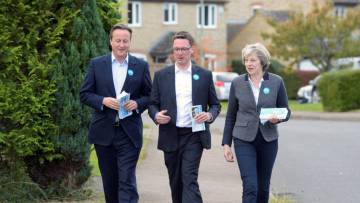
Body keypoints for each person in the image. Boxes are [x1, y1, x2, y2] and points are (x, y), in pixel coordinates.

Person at [80, 23, 152, 203]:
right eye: (118, 40)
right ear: (111, 41)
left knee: (127, 180)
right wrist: (103, 101)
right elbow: (85, 94)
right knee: (110, 183)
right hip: (103, 133)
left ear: (130, 42)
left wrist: (136, 103)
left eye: (125, 41)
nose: (121, 45)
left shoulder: (141, 66)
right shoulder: (97, 64)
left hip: (129, 134)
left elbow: (150, 96)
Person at [148, 31, 220, 203]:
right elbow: (152, 104)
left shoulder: (204, 75)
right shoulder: (161, 76)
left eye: (183, 49)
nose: (179, 53)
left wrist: (209, 115)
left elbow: (216, 105)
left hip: (194, 135)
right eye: (176, 49)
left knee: (189, 178)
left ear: (191, 50)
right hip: (170, 134)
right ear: (173, 52)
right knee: (176, 181)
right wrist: (156, 115)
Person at [222, 43, 291, 203]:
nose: (248, 64)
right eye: (246, 60)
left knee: (263, 186)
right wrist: (226, 144)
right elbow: (231, 115)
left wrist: (279, 117)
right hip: (243, 139)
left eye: (252, 60)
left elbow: (286, 111)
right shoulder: (237, 83)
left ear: (262, 62)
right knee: (250, 185)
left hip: (268, 139)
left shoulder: (276, 82)